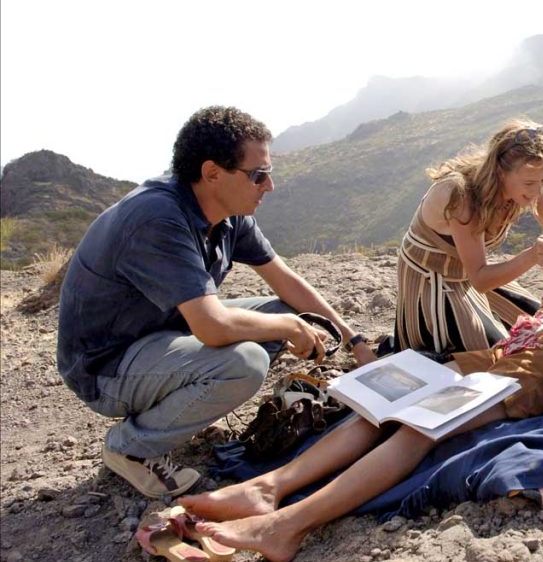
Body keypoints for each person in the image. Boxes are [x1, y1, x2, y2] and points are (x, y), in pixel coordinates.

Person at [180, 161, 543, 562]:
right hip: (515, 349)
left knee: (421, 424)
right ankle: (266, 488)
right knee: (388, 399)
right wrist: (533, 187)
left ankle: (287, 525)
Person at [56, 106, 375, 500]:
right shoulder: (157, 217)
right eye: (258, 175)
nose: (269, 186)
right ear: (212, 173)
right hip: (106, 367)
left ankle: (179, 408)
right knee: (246, 362)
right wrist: (289, 329)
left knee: (291, 313)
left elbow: (286, 282)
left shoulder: (226, 213)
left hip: (159, 334)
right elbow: (212, 327)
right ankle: (130, 446)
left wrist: (355, 342)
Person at [391, 119, 543, 355]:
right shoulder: (461, 196)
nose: (537, 190)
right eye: (530, 183)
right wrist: (532, 255)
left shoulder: (532, 179)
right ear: (500, 173)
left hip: (469, 274)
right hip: (433, 278)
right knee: (499, 352)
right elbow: (481, 279)